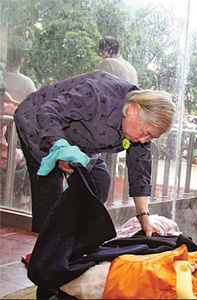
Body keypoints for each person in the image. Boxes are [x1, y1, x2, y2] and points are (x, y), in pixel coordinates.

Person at [14, 71, 175, 236]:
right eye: (145, 132)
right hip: (37, 123)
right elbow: (48, 112)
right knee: (50, 192)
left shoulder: (140, 132)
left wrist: (144, 219)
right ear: (134, 110)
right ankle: (46, 250)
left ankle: (75, 236)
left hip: (77, 140)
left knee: (99, 179)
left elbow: (139, 172)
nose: (144, 140)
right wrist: (61, 149)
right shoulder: (98, 94)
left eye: (151, 137)